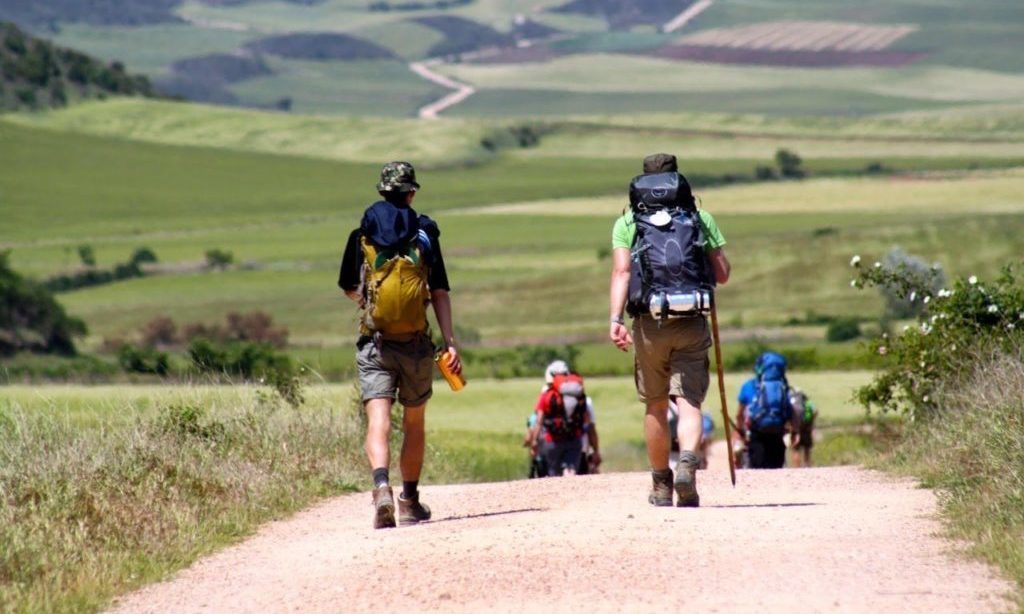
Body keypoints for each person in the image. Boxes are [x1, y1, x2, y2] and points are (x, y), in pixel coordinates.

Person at [338, 161, 462, 529]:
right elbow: (438, 292)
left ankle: (380, 488)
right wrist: (450, 342)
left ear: (381, 192)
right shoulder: (425, 234)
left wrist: (370, 304)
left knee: (378, 419)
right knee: (414, 422)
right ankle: (409, 500)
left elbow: (348, 287)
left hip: (375, 343)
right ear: (411, 193)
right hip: (416, 344)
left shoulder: (361, 234)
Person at [609, 153, 731, 507]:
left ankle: (661, 485)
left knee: (656, 405)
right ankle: (688, 463)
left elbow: (621, 273)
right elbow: (722, 274)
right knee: (689, 401)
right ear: (678, 181)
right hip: (692, 319)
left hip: (649, 324)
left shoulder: (628, 221)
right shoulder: (699, 217)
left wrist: (615, 320)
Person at [526, 362, 601, 477]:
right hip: (576, 442)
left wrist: (534, 442)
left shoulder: (546, 395)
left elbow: (538, 422)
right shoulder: (582, 397)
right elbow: (590, 427)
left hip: (551, 442)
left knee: (554, 476)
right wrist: (595, 451)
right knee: (574, 476)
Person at [734, 352, 796, 470]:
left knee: (757, 472)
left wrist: (740, 433)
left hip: (756, 435)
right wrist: (795, 431)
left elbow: (739, 415)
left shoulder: (748, 386)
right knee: (776, 471)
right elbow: (791, 411)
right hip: (778, 436)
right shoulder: (783, 387)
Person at [789, 387, 817, 467]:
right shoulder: (807, 401)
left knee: (796, 449)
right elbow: (815, 411)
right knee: (807, 449)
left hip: (795, 428)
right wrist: (810, 423)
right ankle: (807, 466)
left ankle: (797, 468)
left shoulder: (791, 401)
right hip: (807, 428)